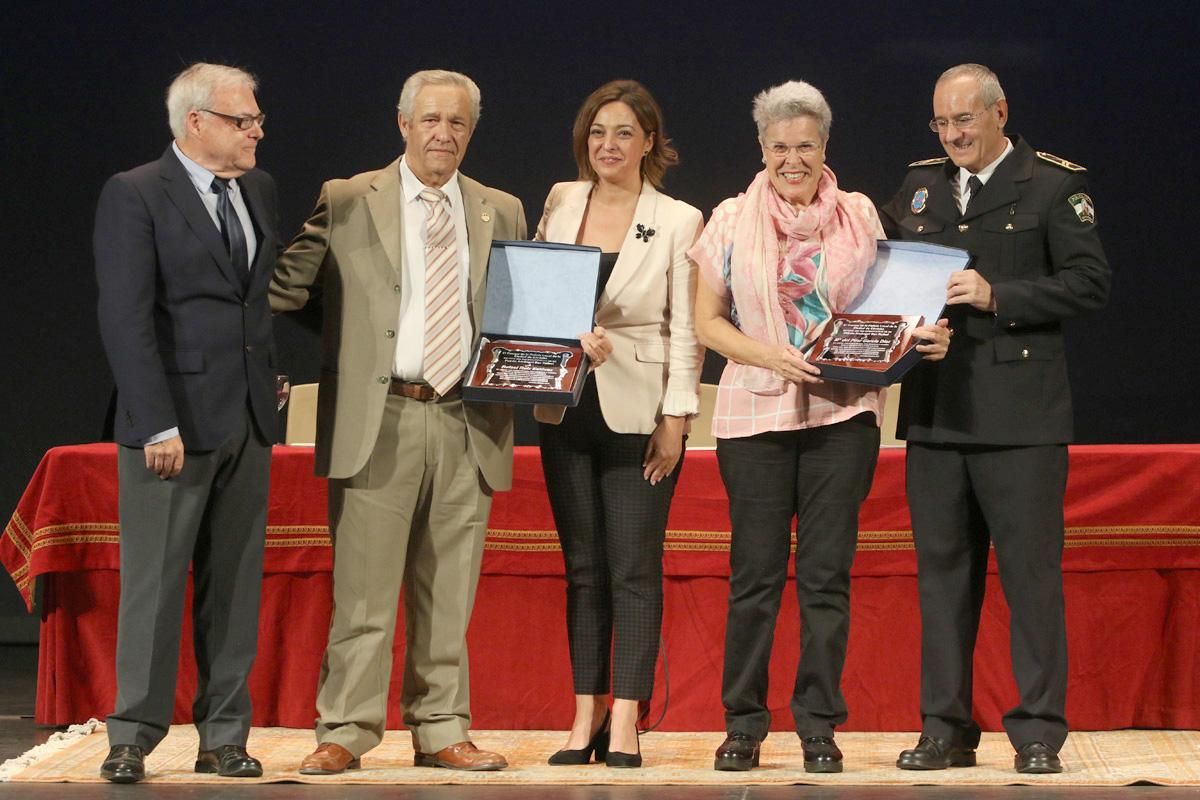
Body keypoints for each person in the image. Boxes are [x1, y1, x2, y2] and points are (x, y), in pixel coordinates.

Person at [270, 69, 534, 774]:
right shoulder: (351, 198)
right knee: (363, 596)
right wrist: (347, 343)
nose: (442, 134)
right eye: (430, 120)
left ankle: (442, 727)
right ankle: (345, 731)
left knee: (449, 593)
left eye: (456, 123)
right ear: (403, 124)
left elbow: (520, 315)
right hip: (378, 416)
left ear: (470, 133)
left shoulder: (501, 209)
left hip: (466, 418)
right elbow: (288, 289)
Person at [690, 80, 949, 774]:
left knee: (827, 578)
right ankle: (743, 722)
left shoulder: (860, 215)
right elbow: (705, 320)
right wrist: (764, 352)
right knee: (755, 576)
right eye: (779, 146)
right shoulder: (728, 219)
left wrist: (921, 336)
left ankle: (817, 725)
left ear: (825, 146)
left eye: (805, 145)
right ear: (762, 149)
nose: (792, 158)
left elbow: (895, 308)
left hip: (843, 414)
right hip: (753, 413)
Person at [880, 63, 1110, 775]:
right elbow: (887, 273)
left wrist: (995, 294)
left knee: (1030, 579)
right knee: (942, 577)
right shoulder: (919, 185)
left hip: (1022, 420)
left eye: (964, 121)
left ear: (999, 112)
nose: (952, 135)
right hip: (938, 414)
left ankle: (1038, 729)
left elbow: (1088, 283)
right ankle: (944, 726)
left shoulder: (1052, 185)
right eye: (941, 123)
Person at [94, 63, 278, 783]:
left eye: (257, 120)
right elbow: (127, 318)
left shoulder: (256, 189)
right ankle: (132, 734)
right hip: (172, 426)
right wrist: (154, 422)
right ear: (196, 122)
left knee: (233, 586)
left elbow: (248, 304)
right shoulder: (135, 193)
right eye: (244, 120)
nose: (257, 131)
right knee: (156, 581)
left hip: (248, 419)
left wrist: (267, 377)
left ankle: (224, 734)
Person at [534, 79, 703, 769]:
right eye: (598, 132)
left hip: (641, 410)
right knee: (583, 569)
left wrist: (678, 417)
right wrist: (562, 336)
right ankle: (585, 717)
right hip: (563, 404)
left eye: (624, 133)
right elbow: (537, 294)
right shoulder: (561, 199)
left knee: (632, 569)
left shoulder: (679, 218)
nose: (609, 144)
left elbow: (688, 329)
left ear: (650, 143)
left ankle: (628, 722)